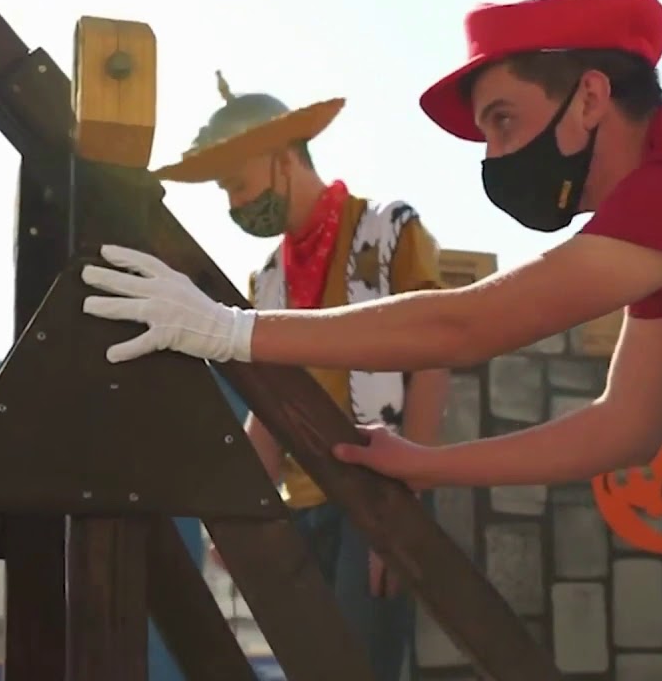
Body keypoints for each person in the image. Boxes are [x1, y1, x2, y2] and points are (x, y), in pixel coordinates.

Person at [82, 0, 662, 681]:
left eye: (502, 121)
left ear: (590, 98)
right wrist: (420, 464)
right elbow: (624, 429)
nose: (491, 157)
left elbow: (466, 321)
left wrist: (226, 331)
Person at [152, 71, 450, 681]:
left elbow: (433, 354)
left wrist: (407, 505)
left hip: (378, 489)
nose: (235, 203)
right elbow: (269, 402)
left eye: (237, 183)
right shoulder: (268, 279)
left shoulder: (387, 229)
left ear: (284, 158)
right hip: (303, 503)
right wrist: (240, 507)